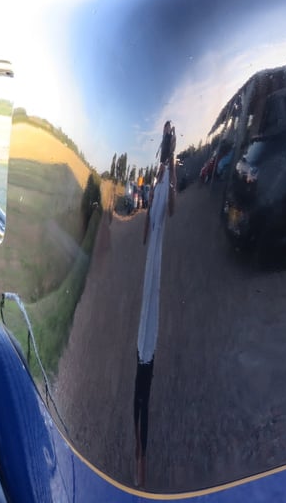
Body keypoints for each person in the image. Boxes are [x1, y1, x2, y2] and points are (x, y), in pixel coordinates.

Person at [133, 120, 176, 487]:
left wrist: (172, 169)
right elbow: (147, 226)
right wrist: (159, 176)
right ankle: (139, 455)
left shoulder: (170, 175)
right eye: (165, 142)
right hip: (152, 257)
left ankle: (143, 458)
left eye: (168, 141)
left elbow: (172, 212)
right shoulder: (156, 175)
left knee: (154, 316)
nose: (166, 146)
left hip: (161, 255)